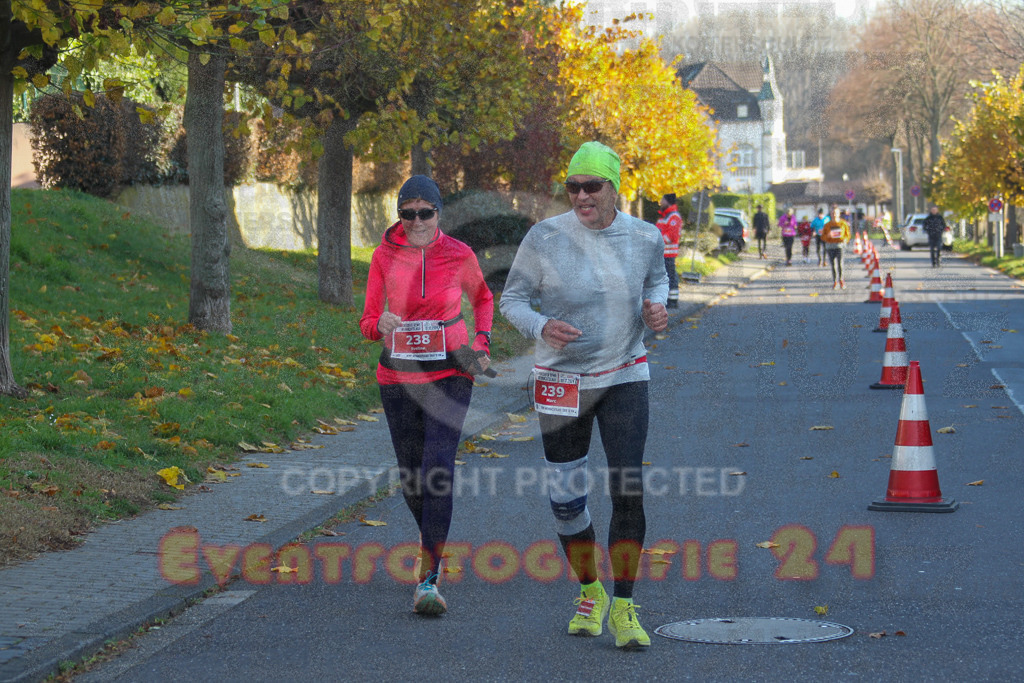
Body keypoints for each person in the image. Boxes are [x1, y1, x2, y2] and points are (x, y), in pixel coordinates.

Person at [500, 141, 668, 649]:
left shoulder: (645, 236)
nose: (580, 196)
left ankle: (624, 606)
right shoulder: (545, 237)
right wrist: (541, 325)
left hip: (623, 375)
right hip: (561, 382)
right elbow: (512, 299)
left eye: (591, 186)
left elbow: (658, 281)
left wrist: (656, 307)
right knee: (566, 501)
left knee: (628, 488)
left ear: (616, 187)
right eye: (572, 186)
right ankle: (589, 591)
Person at [359, 175, 494, 616]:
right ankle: (430, 542)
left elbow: (484, 299)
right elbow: (367, 321)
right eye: (408, 213)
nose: (417, 221)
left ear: (439, 213)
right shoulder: (383, 256)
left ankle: (429, 580)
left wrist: (482, 345)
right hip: (398, 379)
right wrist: (379, 325)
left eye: (425, 212)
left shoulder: (458, 254)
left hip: (452, 372)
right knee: (412, 477)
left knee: (438, 469)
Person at [655, 193, 682, 308]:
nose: (661, 202)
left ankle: (673, 301)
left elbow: (671, 236)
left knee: (670, 276)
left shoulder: (673, 217)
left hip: (668, 254)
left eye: (663, 200)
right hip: (661, 253)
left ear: (668, 201)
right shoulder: (664, 216)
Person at [820, 206, 851, 289]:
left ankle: (841, 280)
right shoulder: (827, 225)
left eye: (836, 213)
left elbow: (847, 235)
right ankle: (835, 281)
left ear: (839, 214)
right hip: (830, 246)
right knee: (833, 264)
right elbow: (823, 237)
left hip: (840, 245)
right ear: (830, 214)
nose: (834, 215)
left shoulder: (843, 223)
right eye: (833, 213)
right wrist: (828, 236)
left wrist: (844, 240)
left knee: (840, 263)